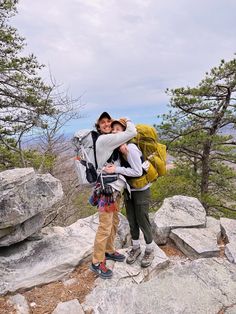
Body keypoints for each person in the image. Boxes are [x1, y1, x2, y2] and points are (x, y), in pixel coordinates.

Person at [90, 112, 137, 279]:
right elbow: (132, 132)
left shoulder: (112, 143)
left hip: (115, 191)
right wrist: (127, 120)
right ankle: (96, 262)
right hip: (106, 193)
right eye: (102, 122)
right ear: (99, 126)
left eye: (108, 121)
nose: (106, 124)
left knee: (114, 223)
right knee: (105, 227)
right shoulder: (104, 140)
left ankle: (109, 251)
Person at [105, 119, 155, 268]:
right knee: (132, 221)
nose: (114, 131)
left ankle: (150, 249)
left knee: (142, 220)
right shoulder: (120, 149)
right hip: (129, 190)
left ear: (125, 131)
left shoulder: (131, 148)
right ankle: (135, 247)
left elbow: (137, 171)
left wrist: (117, 170)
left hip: (141, 191)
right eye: (112, 129)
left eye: (118, 129)